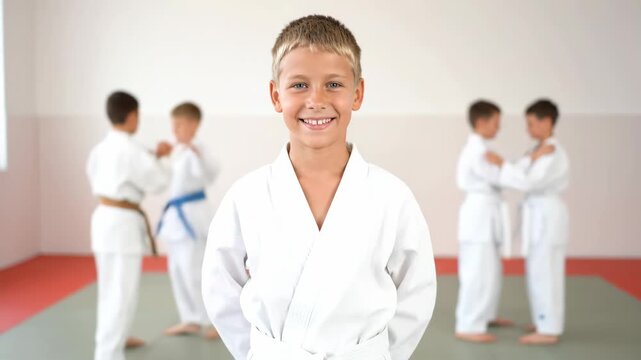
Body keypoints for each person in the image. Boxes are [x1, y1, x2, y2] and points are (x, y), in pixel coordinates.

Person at [201, 15, 436, 360]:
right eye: (298, 85)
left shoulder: (391, 196)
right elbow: (220, 288)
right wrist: (262, 351)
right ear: (275, 95)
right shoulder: (247, 196)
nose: (316, 100)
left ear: (357, 94)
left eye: (334, 84)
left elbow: (417, 292)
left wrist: (378, 352)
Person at [86, 91, 171, 360]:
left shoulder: (101, 148)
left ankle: (116, 340)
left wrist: (152, 156)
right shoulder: (131, 149)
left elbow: (97, 175)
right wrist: (163, 159)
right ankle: (108, 354)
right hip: (121, 225)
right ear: (133, 115)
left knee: (110, 290)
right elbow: (158, 182)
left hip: (104, 218)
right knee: (121, 295)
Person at [486, 98, 569, 345]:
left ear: (547, 122)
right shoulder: (538, 150)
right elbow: (521, 169)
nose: (528, 129)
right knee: (538, 271)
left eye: (532, 124)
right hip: (538, 215)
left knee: (546, 272)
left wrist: (502, 165)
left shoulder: (552, 153)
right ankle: (544, 320)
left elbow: (528, 181)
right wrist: (520, 162)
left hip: (546, 216)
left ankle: (549, 329)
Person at [156, 102, 220, 339]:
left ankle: (215, 320)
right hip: (177, 218)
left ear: (193, 124)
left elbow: (210, 173)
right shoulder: (180, 150)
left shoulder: (199, 150)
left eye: (179, 125)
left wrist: (197, 154)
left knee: (196, 271)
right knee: (177, 271)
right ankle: (190, 319)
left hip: (193, 217)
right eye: (173, 125)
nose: (174, 130)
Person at [454, 100, 515, 343]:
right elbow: (500, 178)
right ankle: (468, 325)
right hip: (478, 216)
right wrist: (509, 167)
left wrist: (505, 166)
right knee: (476, 271)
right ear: (481, 122)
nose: (498, 129)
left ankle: (486, 314)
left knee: (490, 270)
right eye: (495, 123)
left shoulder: (482, 149)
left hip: (487, 214)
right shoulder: (476, 151)